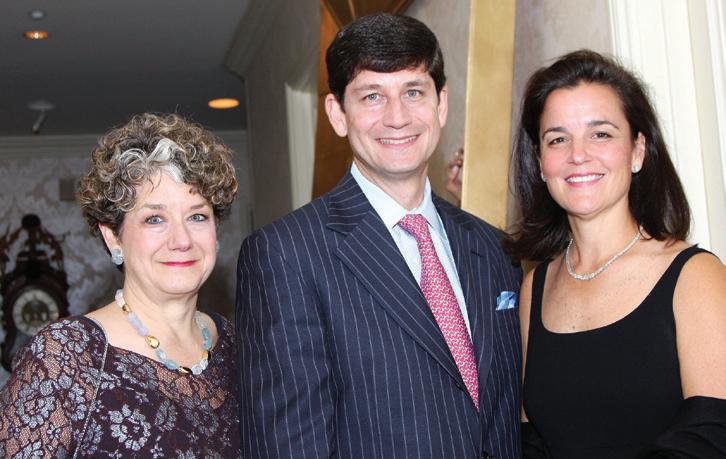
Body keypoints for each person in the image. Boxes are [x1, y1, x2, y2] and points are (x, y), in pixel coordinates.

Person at [236, 12, 522, 459]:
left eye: (413, 92)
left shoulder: (494, 246)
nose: (397, 117)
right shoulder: (286, 254)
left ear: (441, 104)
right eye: (372, 96)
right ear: (338, 114)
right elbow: (289, 445)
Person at [505, 50, 726, 458]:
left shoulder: (696, 276)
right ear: (539, 162)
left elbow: (711, 434)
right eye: (557, 139)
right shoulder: (535, 288)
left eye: (601, 134)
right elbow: (530, 439)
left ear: (638, 150)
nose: (578, 154)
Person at [0, 113, 241, 457]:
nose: (182, 240)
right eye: (154, 218)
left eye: (197, 216)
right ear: (113, 236)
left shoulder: (238, 347)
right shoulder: (65, 358)